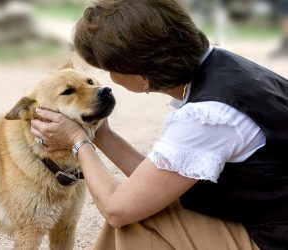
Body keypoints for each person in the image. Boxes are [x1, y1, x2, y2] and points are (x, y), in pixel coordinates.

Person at [30, 0, 288, 249]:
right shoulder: (225, 71)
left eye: (108, 68)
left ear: (138, 70)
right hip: (269, 222)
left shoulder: (209, 116)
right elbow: (155, 183)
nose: (104, 80)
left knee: (131, 218)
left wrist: (78, 141)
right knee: (140, 204)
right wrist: (101, 134)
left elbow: (117, 209)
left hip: (274, 238)